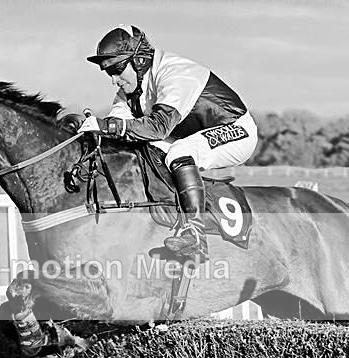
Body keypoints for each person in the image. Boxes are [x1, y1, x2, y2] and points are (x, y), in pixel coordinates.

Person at [79, 24, 258, 260]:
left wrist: (109, 126)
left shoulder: (175, 73)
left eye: (117, 69)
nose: (114, 80)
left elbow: (158, 127)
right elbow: (117, 126)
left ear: (139, 60)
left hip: (235, 131)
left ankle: (195, 234)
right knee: (145, 150)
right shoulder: (131, 91)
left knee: (179, 152)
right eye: (108, 72)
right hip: (189, 135)